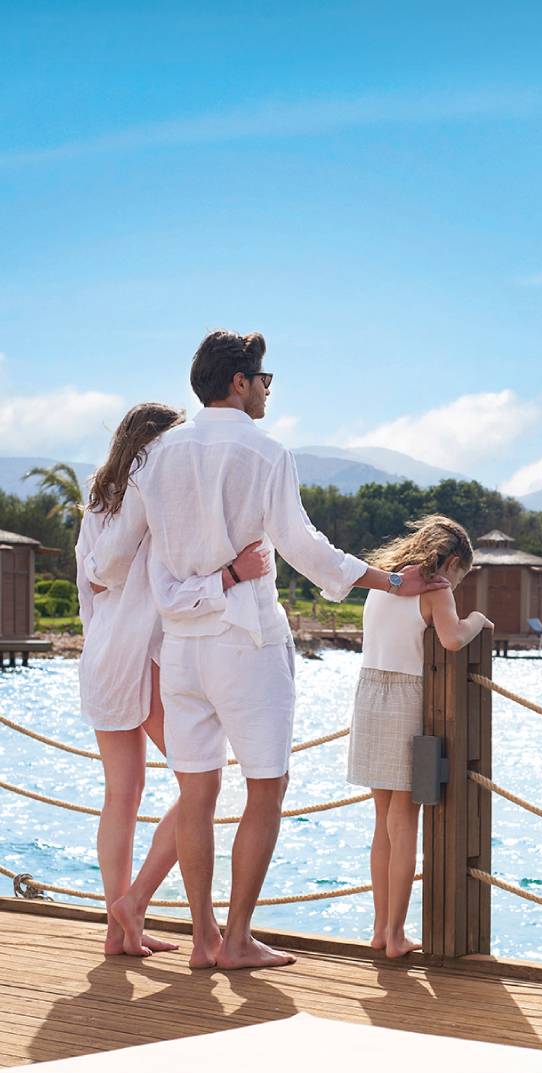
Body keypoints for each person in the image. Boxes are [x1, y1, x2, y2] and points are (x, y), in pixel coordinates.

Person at [85, 330, 450, 971]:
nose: (268, 390)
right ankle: (236, 940)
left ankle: (201, 941)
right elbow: (303, 546)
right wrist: (392, 580)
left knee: (195, 794)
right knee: (265, 787)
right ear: (239, 382)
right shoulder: (266, 451)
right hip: (247, 643)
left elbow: (113, 560)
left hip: (181, 650)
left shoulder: (154, 458)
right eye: (265, 380)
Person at [76, 403, 268, 957]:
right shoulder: (149, 490)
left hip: (104, 654)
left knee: (123, 794)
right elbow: (112, 567)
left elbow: (92, 582)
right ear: (158, 445)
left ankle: (121, 927)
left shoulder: (97, 499)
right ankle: (134, 905)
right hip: (146, 651)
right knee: (199, 785)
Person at [347, 515, 491, 958]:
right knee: (404, 819)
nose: (457, 584)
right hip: (406, 698)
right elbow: (451, 639)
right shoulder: (436, 590)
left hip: (369, 692)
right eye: (459, 575)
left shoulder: (384, 583)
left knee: (381, 822)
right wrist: (478, 620)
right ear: (449, 563)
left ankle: (379, 929)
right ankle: (395, 936)